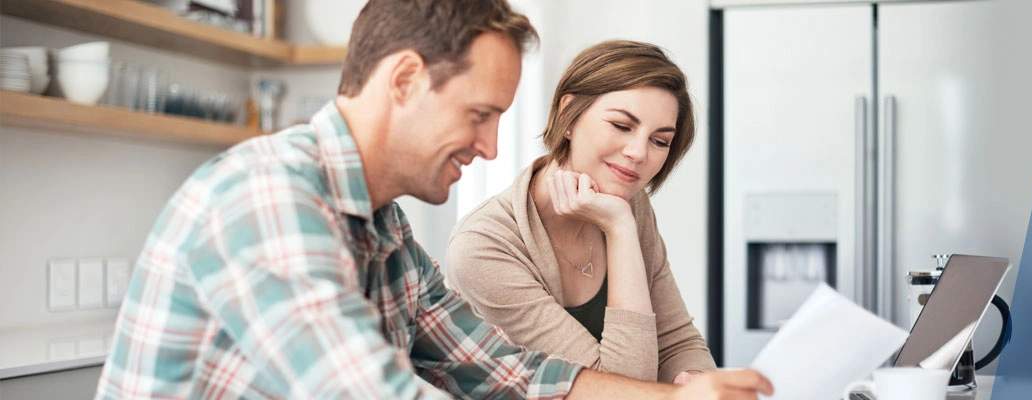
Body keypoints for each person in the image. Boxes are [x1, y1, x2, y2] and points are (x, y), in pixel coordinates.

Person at [94, 1, 771, 399]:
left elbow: (512, 373)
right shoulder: (266, 197)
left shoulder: (385, 231)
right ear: (406, 79)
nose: (489, 146)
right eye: (480, 114)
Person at [444, 40, 715, 385]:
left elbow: (677, 340)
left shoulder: (630, 204)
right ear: (567, 115)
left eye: (659, 141)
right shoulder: (482, 248)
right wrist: (619, 229)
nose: (638, 153)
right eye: (621, 125)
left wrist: (694, 380)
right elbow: (617, 391)